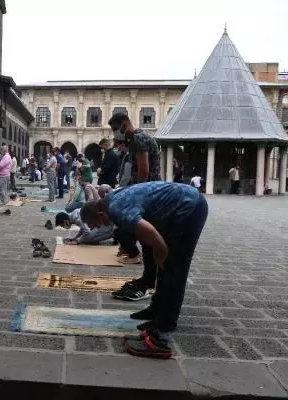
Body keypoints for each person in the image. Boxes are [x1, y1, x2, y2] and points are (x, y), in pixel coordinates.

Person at [80, 182, 208, 358]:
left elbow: (157, 242)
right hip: (173, 208)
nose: (96, 229)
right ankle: (156, 309)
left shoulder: (117, 209)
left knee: (174, 266)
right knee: (163, 263)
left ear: (101, 214)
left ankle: (166, 323)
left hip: (189, 206)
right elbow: (145, 240)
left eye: (95, 224)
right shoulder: (111, 201)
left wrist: (161, 256)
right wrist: (149, 274)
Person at [108, 112, 161, 300]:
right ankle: (148, 278)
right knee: (144, 239)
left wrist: (135, 197)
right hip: (149, 193)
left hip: (148, 194)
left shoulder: (138, 139)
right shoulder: (137, 139)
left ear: (124, 125)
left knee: (144, 238)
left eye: (115, 130)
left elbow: (144, 171)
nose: (115, 135)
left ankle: (149, 280)